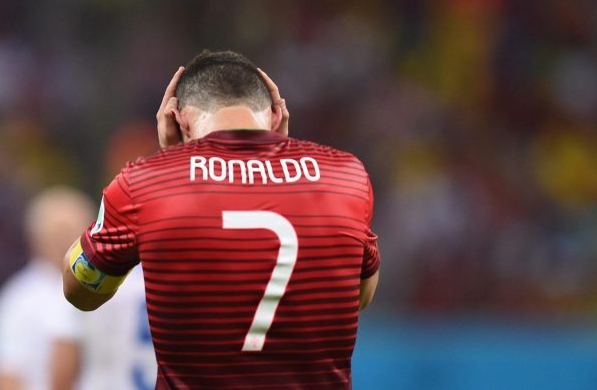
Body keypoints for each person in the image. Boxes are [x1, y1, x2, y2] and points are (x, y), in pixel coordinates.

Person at [61, 51, 381, 389]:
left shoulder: (146, 182)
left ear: (177, 119)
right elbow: (360, 296)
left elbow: (80, 291)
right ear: (276, 115)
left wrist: (170, 163)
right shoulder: (346, 176)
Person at [0, 187, 156, 390]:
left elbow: (63, 368)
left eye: (70, 230)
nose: (64, 240)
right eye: (57, 232)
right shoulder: (18, 300)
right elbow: (5, 377)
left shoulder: (94, 287)